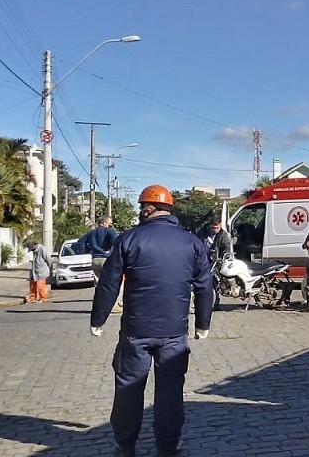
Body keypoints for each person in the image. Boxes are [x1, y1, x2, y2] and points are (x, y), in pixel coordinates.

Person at [90, 184, 213, 457]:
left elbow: (108, 285)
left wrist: (98, 319)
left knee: (128, 389)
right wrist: (202, 324)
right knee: (170, 391)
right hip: (174, 332)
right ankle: (167, 446)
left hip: (136, 331)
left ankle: (125, 444)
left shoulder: (128, 239)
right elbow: (205, 287)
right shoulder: (191, 242)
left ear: (147, 209)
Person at [86, 215, 122, 312]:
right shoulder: (109, 231)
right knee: (111, 284)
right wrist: (108, 251)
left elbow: (84, 244)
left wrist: (92, 250)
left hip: (94, 259)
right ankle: (114, 306)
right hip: (106, 259)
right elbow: (117, 241)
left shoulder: (91, 233)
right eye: (110, 224)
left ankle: (99, 307)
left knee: (98, 285)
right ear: (105, 223)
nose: (111, 226)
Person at [205, 218, 231, 312]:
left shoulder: (223, 235)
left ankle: (216, 302)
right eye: (213, 227)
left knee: (214, 283)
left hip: (216, 262)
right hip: (205, 260)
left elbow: (226, 248)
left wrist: (222, 258)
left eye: (217, 227)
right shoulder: (205, 233)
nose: (215, 229)